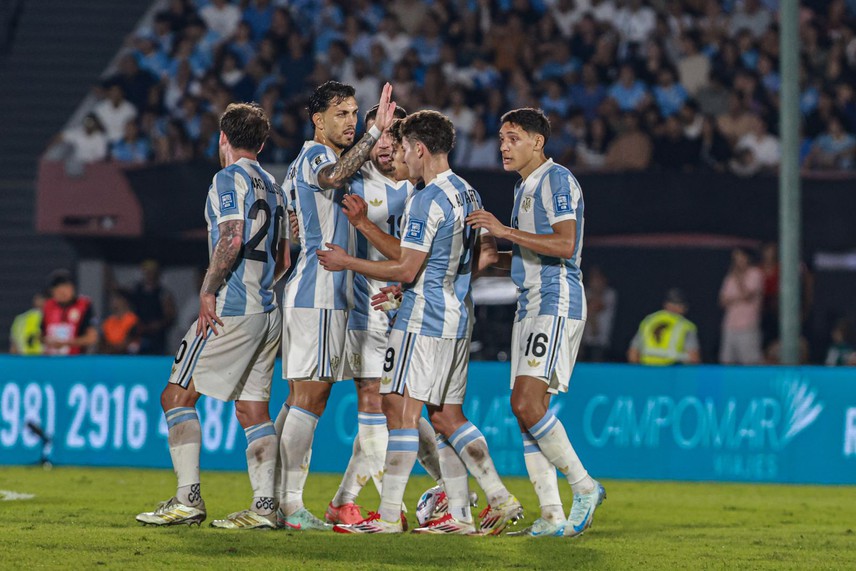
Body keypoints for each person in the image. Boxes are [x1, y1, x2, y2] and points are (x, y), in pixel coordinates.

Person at [319, 110, 521, 536]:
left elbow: (407, 268)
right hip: (456, 317)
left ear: (421, 148)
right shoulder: (467, 193)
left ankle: (390, 516)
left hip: (422, 318)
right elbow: (471, 258)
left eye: (406, 146)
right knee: (446, 416)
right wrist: (363, 227)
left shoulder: (427, 199)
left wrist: (346, 261)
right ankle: (486, 505)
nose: (401, 154)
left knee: (398, 407)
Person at [136, 102, 289, 529]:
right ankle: (264, 509)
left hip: (231, 309)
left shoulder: (227, 178)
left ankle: (188, 500)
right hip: (267, 311)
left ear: (223, 138)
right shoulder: (275, 188)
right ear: (261, 142)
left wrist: (209, 290)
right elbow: (285, 258)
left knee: (176, 396)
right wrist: (259, 287)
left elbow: (232, 236)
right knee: (253, 409)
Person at [466, 108, 604, 538]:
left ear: (537, 142)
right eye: (501, 138)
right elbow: (532, 253)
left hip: (556, 300)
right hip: (529, 304)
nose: (503, 146)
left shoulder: (556, 179)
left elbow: (565, 245)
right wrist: (493, 259)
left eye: (512, 138)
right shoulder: (525, 186)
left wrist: (505, 232)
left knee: (527, 404)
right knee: (526, 413)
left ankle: (584, 486)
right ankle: (551, 514)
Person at [275, 81, 397, 531]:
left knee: (301, 398)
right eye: (341, 114)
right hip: (319, 292)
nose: (349, 122)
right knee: (312, 396)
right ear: (318, 120)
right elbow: (330, 178)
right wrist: (374, 133)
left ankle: (274, 497)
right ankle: (287, 504)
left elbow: (295, 223)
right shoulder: (315, 156)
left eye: (353, 113)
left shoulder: (307, 161)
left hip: (322, 293)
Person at [628, 288, 700, 365]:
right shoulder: (685, 326)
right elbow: (693, 358)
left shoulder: (649, 321)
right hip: (672, 372)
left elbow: (633, 354)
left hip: (647, 369)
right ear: (682, 307)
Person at [719, 248, 764, 365]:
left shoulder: (755, 273)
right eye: (735, 258)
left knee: (750, 361)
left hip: (747, 325)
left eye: (740, 257)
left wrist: (738, 279)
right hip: (730, 325)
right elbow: (722, 301)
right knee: (727, 360)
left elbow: (747, 295)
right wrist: (737, 298)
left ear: (747, 257)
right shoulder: (730, 276)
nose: (738, 260)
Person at [41, 270, 98, 356]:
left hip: (75, 360)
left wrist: (66, 343)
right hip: (51, 359)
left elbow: (92, 338)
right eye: (58, 289)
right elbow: (40, 335)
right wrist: (47, 341)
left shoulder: (84, 306)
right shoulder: (48, 306)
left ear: (73, 288)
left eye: (66, 287)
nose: (62, 292)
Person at [131, 260, 176, 355]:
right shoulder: (136, 290)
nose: (149, 275)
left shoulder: (163, 293)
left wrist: (157, 325)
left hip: (157, 339)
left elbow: (170, 315)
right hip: (138, 337)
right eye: (147, 272)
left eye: (152, 272)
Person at [582, 266, 617, 362]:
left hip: (601, 344)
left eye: (597, 278)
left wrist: (596, 290)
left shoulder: (610, 294)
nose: (594, 281)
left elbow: (596, 306)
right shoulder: (585, 293)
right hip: (584, 342)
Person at [99, 289, 140, 355]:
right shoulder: (108, 321)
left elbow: (129, 342)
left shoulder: (133, 320)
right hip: (108, 357)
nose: (113, 301)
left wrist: (113, 348)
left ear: (124, 300)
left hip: (126, 358)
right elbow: (102, 342)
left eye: (116, 298)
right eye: (112, 299)